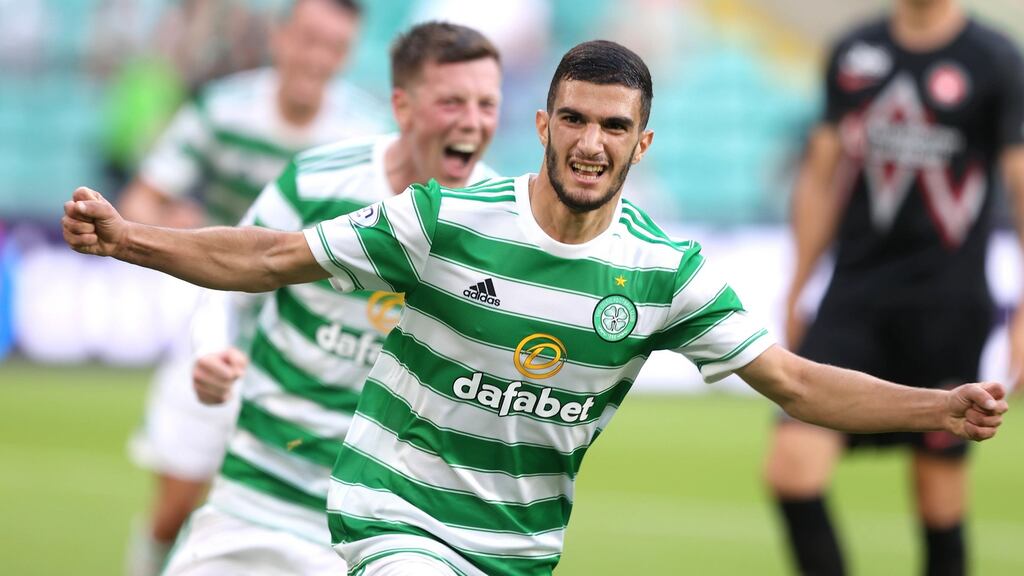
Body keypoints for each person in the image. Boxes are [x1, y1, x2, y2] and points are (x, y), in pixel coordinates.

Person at [62, 40, 1009, 576]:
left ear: (643, 143)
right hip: (390, 515)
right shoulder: (445, 220)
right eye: (576, 119)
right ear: (544, 124)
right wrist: (132, 238)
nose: (591, 142)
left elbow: (795, 383)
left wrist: (935, 406)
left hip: (515, 548)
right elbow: (274, 255)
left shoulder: (665, 273)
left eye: (613, 126)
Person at [158, 22, 501, 576]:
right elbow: (231, 285)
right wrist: (211, 350)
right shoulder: (319, 182)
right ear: (404, 107)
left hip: (386, 521)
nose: (472, 121)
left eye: (487, 104)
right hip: (260, 491)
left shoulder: (496, 224)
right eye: (452, 101)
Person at [117, 1, 389, 574]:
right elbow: (143, 201)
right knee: (174, 510)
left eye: (334, 47)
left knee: (300, 525)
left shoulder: (367, 138)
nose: (317, 58)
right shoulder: (224, 110)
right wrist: (195, 234)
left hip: (311, 340)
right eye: (309, 39)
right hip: (216, 313)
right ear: (280, 37)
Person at [764, 1, 1024, 574]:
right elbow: (821, 172)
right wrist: (798, 283)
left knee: (938, 500)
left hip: (947, 305)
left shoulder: (996, 59)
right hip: (854, 297)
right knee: (791, 467)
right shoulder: (856, 50)